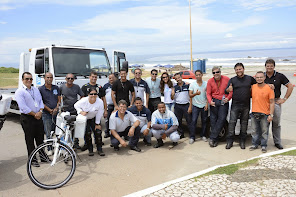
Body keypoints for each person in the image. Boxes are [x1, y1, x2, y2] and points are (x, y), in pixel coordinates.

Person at [15, 72, 45, 167]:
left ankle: (43, 156)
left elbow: (40, 101)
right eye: (27, 79)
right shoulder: (20, 92)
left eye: (30, 79)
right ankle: (33, 159)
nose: (29, 81)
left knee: (40, 138)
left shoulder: (35, 90)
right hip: (28, 118)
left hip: (38, 116)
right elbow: (23, 107)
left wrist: (40, 111)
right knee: (30, 140)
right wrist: (34, 114)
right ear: (22, 80)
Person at [224, 63, 256, 149]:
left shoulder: (249, 78)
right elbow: (226, 91)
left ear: (243, 69)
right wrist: (228, 89)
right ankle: (230, 142)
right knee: (232, 123)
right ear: (235, 71)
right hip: (235, 105)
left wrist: (268, 85)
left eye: (240, 69)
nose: (238, 71)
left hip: (246, 105)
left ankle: (242, 141)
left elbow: (259, 83)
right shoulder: (232, 80)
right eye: (237, 69)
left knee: (244, 124)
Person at [264, 59, 294, 149]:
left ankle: (277, 142)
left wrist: (284, 99)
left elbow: (290, 86)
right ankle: (263, 143)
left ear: (274, 66)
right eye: (268, 66)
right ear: (265, 66)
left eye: (271, 66)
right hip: (264, 103)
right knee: (264, 124)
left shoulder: (279, 76)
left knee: (276, 123)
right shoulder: (262, 76)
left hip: (276, 101)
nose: (269, 68)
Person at [80, 71, 108, 151]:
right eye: (92, 77)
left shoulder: (99, 87)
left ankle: (98, 142)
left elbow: (103, 99)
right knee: (87, 130)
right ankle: (87, 144)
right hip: (87, 112)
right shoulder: (85, 87)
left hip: (97, 111)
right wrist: (82, 111)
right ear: (90, 77)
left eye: (95, 77)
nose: (94, 78)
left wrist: (105, 110)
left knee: (97, 128)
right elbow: (82, 99)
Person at [74, 87, 105, 156]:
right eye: (91, 94)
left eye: (95, 94)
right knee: (87, 134)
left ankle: (99, 149)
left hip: (94, 118)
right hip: (85, 119)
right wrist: (81, 112)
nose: (93, 96)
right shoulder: (84, 100)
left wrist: (97, 123)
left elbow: (100, 112)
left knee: (98, 133)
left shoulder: (100, 102)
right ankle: (90, 149)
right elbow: (75, 105)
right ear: (88, 94)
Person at [207, 66, 232, 147]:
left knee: (221, 119)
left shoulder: (227, 79)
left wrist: (228, 98)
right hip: (214, 101)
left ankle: (212, 137)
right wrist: (210, 101)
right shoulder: (210, 81)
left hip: (223, 101)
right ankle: (215, 139)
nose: (216, 74)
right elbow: (208, 93)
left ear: (220, 72)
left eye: (217, 72)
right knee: (213, 120)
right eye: (214, 73)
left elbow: (231, 90)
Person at [250, 71, 275, 153]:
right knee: (254, 130)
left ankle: (264, 145)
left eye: (261, 77)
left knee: (265, 131)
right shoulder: (253, 87)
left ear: (264, 78)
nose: (259, 79)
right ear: (255, 78)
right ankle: (254, 144)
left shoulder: (269, 88)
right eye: (257, 77)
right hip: (254, 112)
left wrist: (271, 115)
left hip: (265, 113)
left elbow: (272, 102)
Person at [38, 72, 61, 155]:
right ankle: (50, 149)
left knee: (58, 132)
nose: (49, 79)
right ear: (44, 78)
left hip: (56, 113)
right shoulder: (40, 89)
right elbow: (41, 102)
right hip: (46, 114)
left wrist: (56, 108)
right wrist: (49, 110)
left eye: (51, 77)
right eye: (47, 77)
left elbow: (59, 99)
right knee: (48, 133)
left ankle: (58, 148)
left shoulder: (56, 88)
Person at [60, 73, 84, 149]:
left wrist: (79, 104)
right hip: (66, 110)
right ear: (65, 79)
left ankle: (75, 143)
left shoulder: (76, 87)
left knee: (75, 128)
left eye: (72, 78)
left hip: (74, 110)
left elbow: (82, 96)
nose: (70, 80)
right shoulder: (62, 87)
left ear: (74, 79)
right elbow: (58, 97)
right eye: (68, 78)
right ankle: (66, 144)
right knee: (65, 128)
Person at [189, 70, 208, 144]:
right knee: (193, 121)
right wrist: (195, 94)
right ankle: (192, 137)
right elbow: (190, 95)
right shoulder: (192, 84)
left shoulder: (206, 84)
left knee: (204, 121)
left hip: (204, 105)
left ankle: (203, 135)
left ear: (202, 75)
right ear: (195, 76)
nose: (198, 76)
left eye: (199, 75)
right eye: (196, 75)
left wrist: (207, 104)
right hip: (195, 105)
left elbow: (208, 95)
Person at [173, 72, 192, 139]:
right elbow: (172, 98)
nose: (178, 79)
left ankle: (191, 135)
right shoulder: (174, 87)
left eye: (179, 77)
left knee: (189, 120)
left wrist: (190, 106)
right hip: (178, 105)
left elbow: (191, 96)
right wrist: (172, 92)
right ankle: (181, 133)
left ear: (181, 77)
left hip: (186, 105)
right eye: (176, 78)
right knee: (178, 121)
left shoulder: (187, 85)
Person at [103, 73, 117, 138]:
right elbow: (103, 96)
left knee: (116, 119)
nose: (111, 79)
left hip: (116, 105)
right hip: (109, 105)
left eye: (112, 78)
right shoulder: (106, 86)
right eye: (110, 78)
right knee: (107, 119)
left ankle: (115, 132)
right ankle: (107, 132)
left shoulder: (118, 84)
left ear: (115, 78)